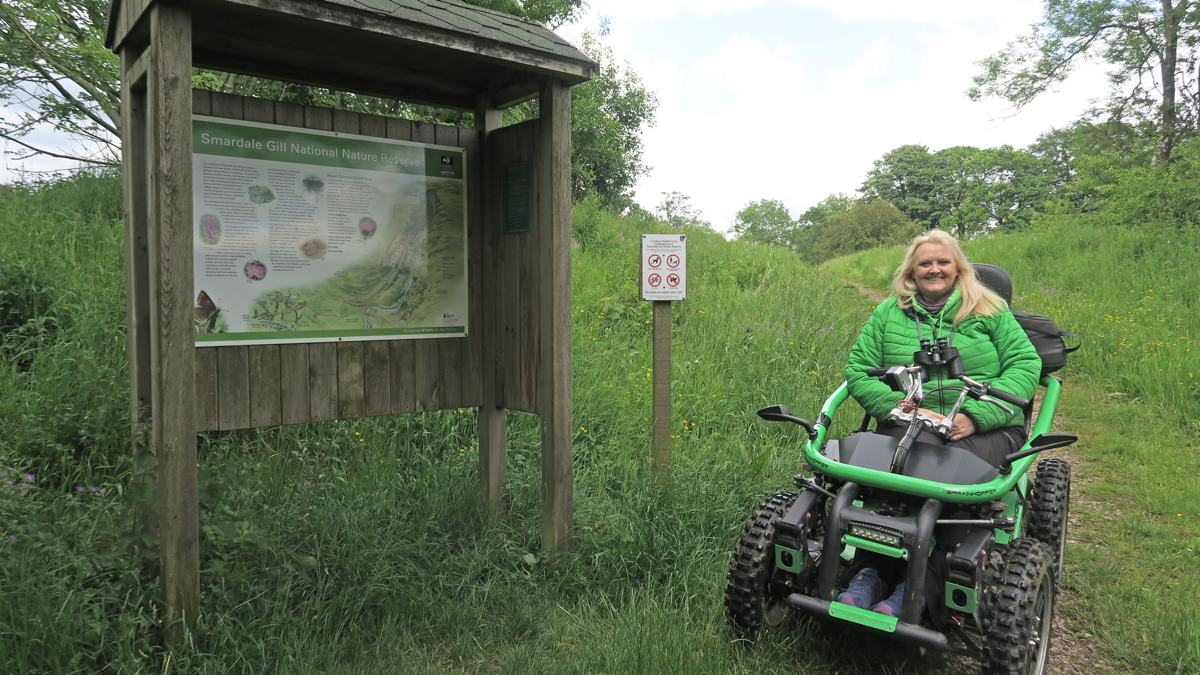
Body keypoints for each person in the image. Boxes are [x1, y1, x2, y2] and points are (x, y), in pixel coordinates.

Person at [837, 229, 1041, 616]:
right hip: (914, 420)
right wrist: (901, 406)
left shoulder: (988, 308)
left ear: (957, 267)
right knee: (892, 476)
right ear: (911, 272)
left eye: (942, 262)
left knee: (952, 479)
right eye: (925, 263)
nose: (934, 269)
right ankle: (870, 572)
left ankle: (918, 591)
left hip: (987, 424)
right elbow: (859, 370)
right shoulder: (888, 312)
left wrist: (976, 417)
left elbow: (1025, 365)